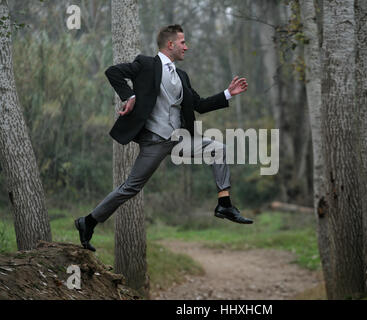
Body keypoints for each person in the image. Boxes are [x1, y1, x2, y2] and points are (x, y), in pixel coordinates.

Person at [75, 24, 253, 252]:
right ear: (170, 44)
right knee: (130, 188)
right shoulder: (146, 64)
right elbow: (113, 72)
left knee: (218, 148)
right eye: (183, 43)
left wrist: (228, 93)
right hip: (154, 140)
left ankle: (224, 204)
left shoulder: (181, 76)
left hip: (179, 140)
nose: (186, 48)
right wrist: (129, 95)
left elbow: (198, 104)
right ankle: (88, 221)